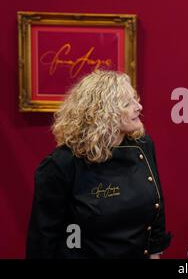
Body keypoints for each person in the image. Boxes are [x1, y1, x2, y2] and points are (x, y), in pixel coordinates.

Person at [26, 70, 171, 258]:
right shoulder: (62, 164)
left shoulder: (143, 146)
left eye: (136, 99)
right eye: (128, 103)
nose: (139, 107)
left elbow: (157, 210)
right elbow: (43, 241)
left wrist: (154, 254)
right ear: (104, 114)